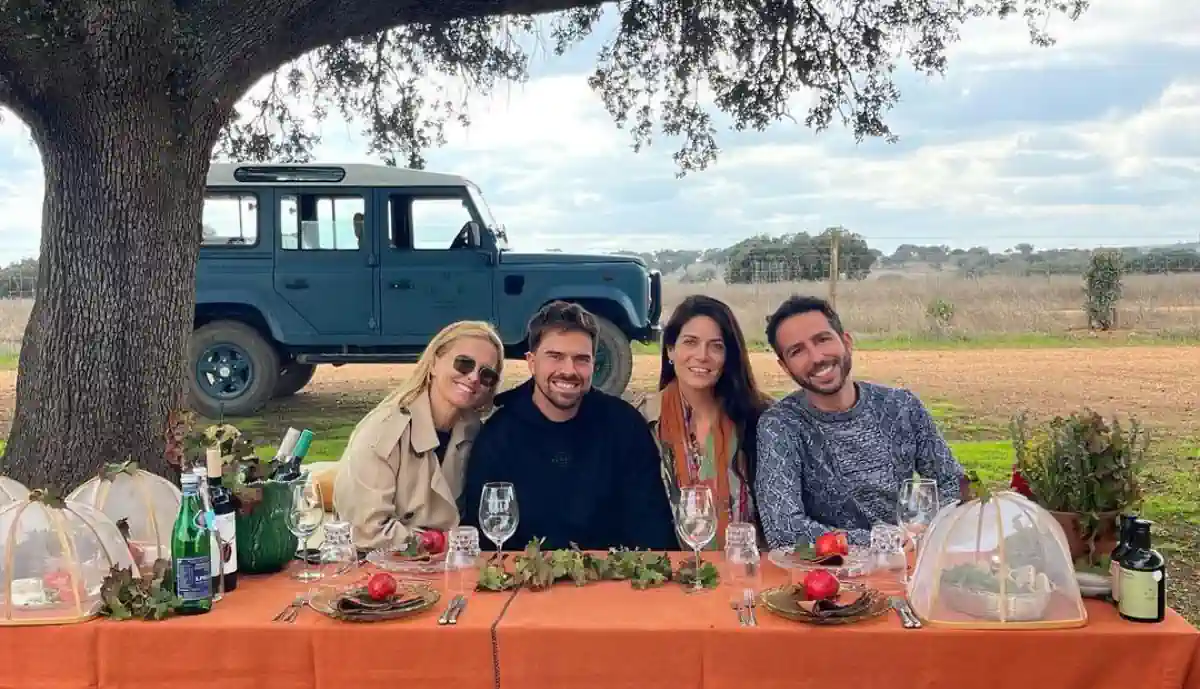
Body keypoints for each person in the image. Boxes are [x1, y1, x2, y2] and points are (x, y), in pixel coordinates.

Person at [460, 301, 678, 551]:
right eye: (555, 357)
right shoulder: (499, 434)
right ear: (531, 362)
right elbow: (486, 536)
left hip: (612, 579)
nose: (569, 370)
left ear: (593, 365)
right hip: (524, 580)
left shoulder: (624, 426)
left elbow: (651, 526)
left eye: (581, 359)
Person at [754, 295, 966, 549]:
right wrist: (884, 540)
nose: (817, 357)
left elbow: (954, 483)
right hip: (826, 574)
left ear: (846, 342)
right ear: (785, 367)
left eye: (822, 339)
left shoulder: (901, 407)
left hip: (907, 566)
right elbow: (783, 528)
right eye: (797, 351)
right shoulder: (781, 426)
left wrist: (924, 527)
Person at [333, 320, 504, 551]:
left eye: (487, 375)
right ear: (433, 363)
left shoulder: (476, 432)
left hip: (445, 570)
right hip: (375, 570)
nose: (473, 378)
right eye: (464, 364)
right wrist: (437, 542)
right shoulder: (384, 431)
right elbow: (366, 532)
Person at [634, 295, 775, 549]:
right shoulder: (641, 421)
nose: (702, 356)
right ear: (670, 350)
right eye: (690, 342)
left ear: (728, 356)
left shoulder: (761, 417)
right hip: (671, 576)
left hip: (750, 572)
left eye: (716, 346)